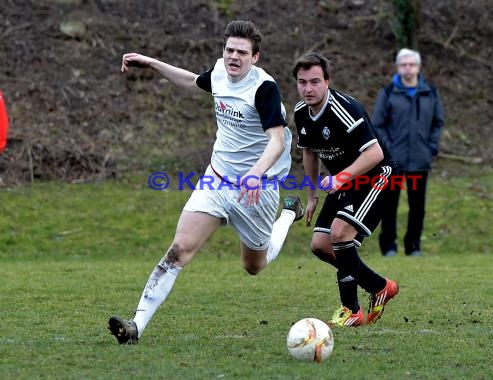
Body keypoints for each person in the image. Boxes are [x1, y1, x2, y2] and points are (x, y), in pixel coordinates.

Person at [108, 20, 304, 345]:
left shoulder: (263, 88)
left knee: (254, 266)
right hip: (216, 180)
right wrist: (153, 63)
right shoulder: (219, 74)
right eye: (229, 50)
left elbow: (277, 141)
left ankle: (287, 214)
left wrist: (254, 174)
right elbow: (192, 81)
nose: (233, 57)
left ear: (255, 57)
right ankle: (136, 326)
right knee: (179, 250)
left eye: (242, 52)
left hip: (257, 189)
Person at [292, 52, 399, 327]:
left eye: (315, 81)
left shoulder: (344, 108)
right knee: (320, 245)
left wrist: (340, 178)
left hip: (376, 176)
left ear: (327, 81)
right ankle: (379, 286)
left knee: (340, 235)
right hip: (347, 179)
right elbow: (309, 153)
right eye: (302, 82)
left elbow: (374, 153)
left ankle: (351, 310)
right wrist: (312, 196)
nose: (308, 88)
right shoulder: (301, 112)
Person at [372, 48, 444, 257]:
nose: (408, 68)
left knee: (417, 207)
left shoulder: (430, 93)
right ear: (398, 67)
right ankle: (389, 247)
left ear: (419, 67)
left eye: (412, 64)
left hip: (420, 160)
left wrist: (431, 146)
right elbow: (378, 124)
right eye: (404, 64)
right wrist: (389, 149)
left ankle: (413, 247)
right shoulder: (387, 93)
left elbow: (438, 123)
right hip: (394, 162)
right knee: (389, 205)